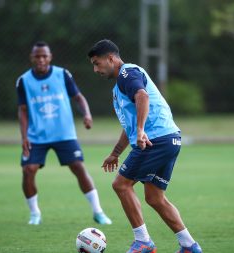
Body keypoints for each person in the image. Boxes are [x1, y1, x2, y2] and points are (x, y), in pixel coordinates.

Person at [88, 39, 202, 253]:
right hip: (169, 139)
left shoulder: (126, 74)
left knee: (121, 185)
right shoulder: (120, 86)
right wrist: (115, 153)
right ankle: (189, 246)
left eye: (97, 63)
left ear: (111, 58)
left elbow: (142, 96)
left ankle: (143, 242)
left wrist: (141, 131)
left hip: (155, 139)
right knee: (154, 197)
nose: (95, 69)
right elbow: (129, 125)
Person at [16, 41, 111, 226]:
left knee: (79, 167)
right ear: (32, 58)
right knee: (28, 170)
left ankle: (98, 211)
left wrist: (87, 114)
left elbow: (78, 97)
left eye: (44, 56)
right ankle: (35, 213)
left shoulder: (62, 74)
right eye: (37, 56)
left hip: (64, 134)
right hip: (37, 136)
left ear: (50, 57)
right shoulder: (23, 81)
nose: (41, 59)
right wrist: (24, 136)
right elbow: (23, 110)